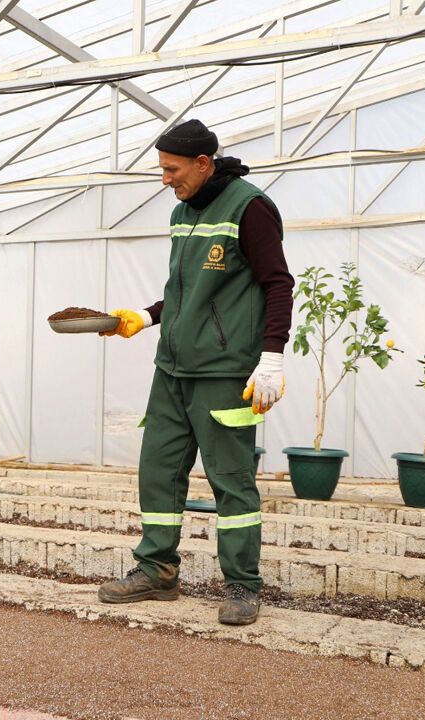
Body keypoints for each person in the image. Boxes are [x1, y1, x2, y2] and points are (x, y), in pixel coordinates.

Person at [96, 119, 294, 625]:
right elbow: (186, 294)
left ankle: (243, 584)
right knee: (158, 471)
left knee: (231, 479)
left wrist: (272, 357)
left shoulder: (250, 208)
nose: (165, 179)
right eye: (162, 169)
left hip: (224, 372)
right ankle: (157, 569)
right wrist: (146, 317)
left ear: (203, 164)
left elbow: (277, 283)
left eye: (172, 169)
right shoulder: (182, 213)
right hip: (172, 370)